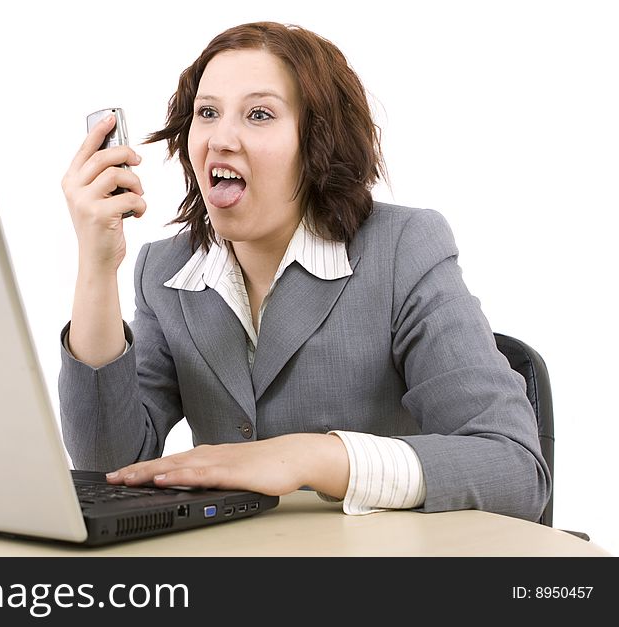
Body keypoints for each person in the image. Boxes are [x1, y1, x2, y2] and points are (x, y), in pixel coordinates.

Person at [58, 21, 550, 521]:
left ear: (317, 143)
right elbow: (109, 467)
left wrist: (310, 457)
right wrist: (97, 267)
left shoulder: (402, 250)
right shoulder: (165, 270)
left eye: (259, 114)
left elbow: (514, 470)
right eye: (207, 113)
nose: (221, 138)